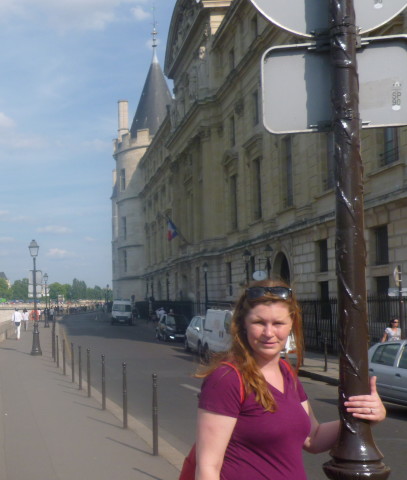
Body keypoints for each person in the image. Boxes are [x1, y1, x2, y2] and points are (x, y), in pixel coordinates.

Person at [195, 279, 386, 480]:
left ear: (291, 324)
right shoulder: (227, 379)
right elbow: (208, 466)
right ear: (243, 324)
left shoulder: (286, 372)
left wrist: (365, 418)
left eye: (278, 323)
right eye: (259, 322)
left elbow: (314, 438)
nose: (269, 333)